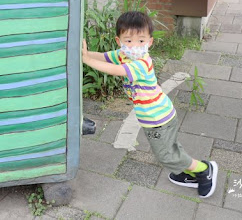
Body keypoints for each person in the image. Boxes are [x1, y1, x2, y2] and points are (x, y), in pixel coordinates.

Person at [81, 11, 218, 198]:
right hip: (156, 116)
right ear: (119, 40)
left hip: (158, 119)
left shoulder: (141, 64)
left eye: (141, 41)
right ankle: (187, 171)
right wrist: (87, 54)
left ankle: (204, 170)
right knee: (170, 149)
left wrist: (87, 60)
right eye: (128, 40)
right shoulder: (123, 54)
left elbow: (115, 70)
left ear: (150, 42)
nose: (134, 46)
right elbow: (105, 57)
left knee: (166, 155)